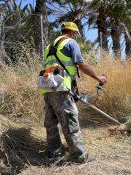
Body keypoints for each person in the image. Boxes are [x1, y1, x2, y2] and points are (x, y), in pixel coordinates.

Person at [39, 22, 107, 164]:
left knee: (51, 123)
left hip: (47, 88)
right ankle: (79, 157)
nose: (75, 36)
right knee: (70, 122)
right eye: (75, 33)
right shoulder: (71, 43)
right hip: (62, 89)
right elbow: (81, 65)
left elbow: (51, 67)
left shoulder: (49, 46)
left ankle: (54, 154)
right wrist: (99, 78)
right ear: (71, 32)